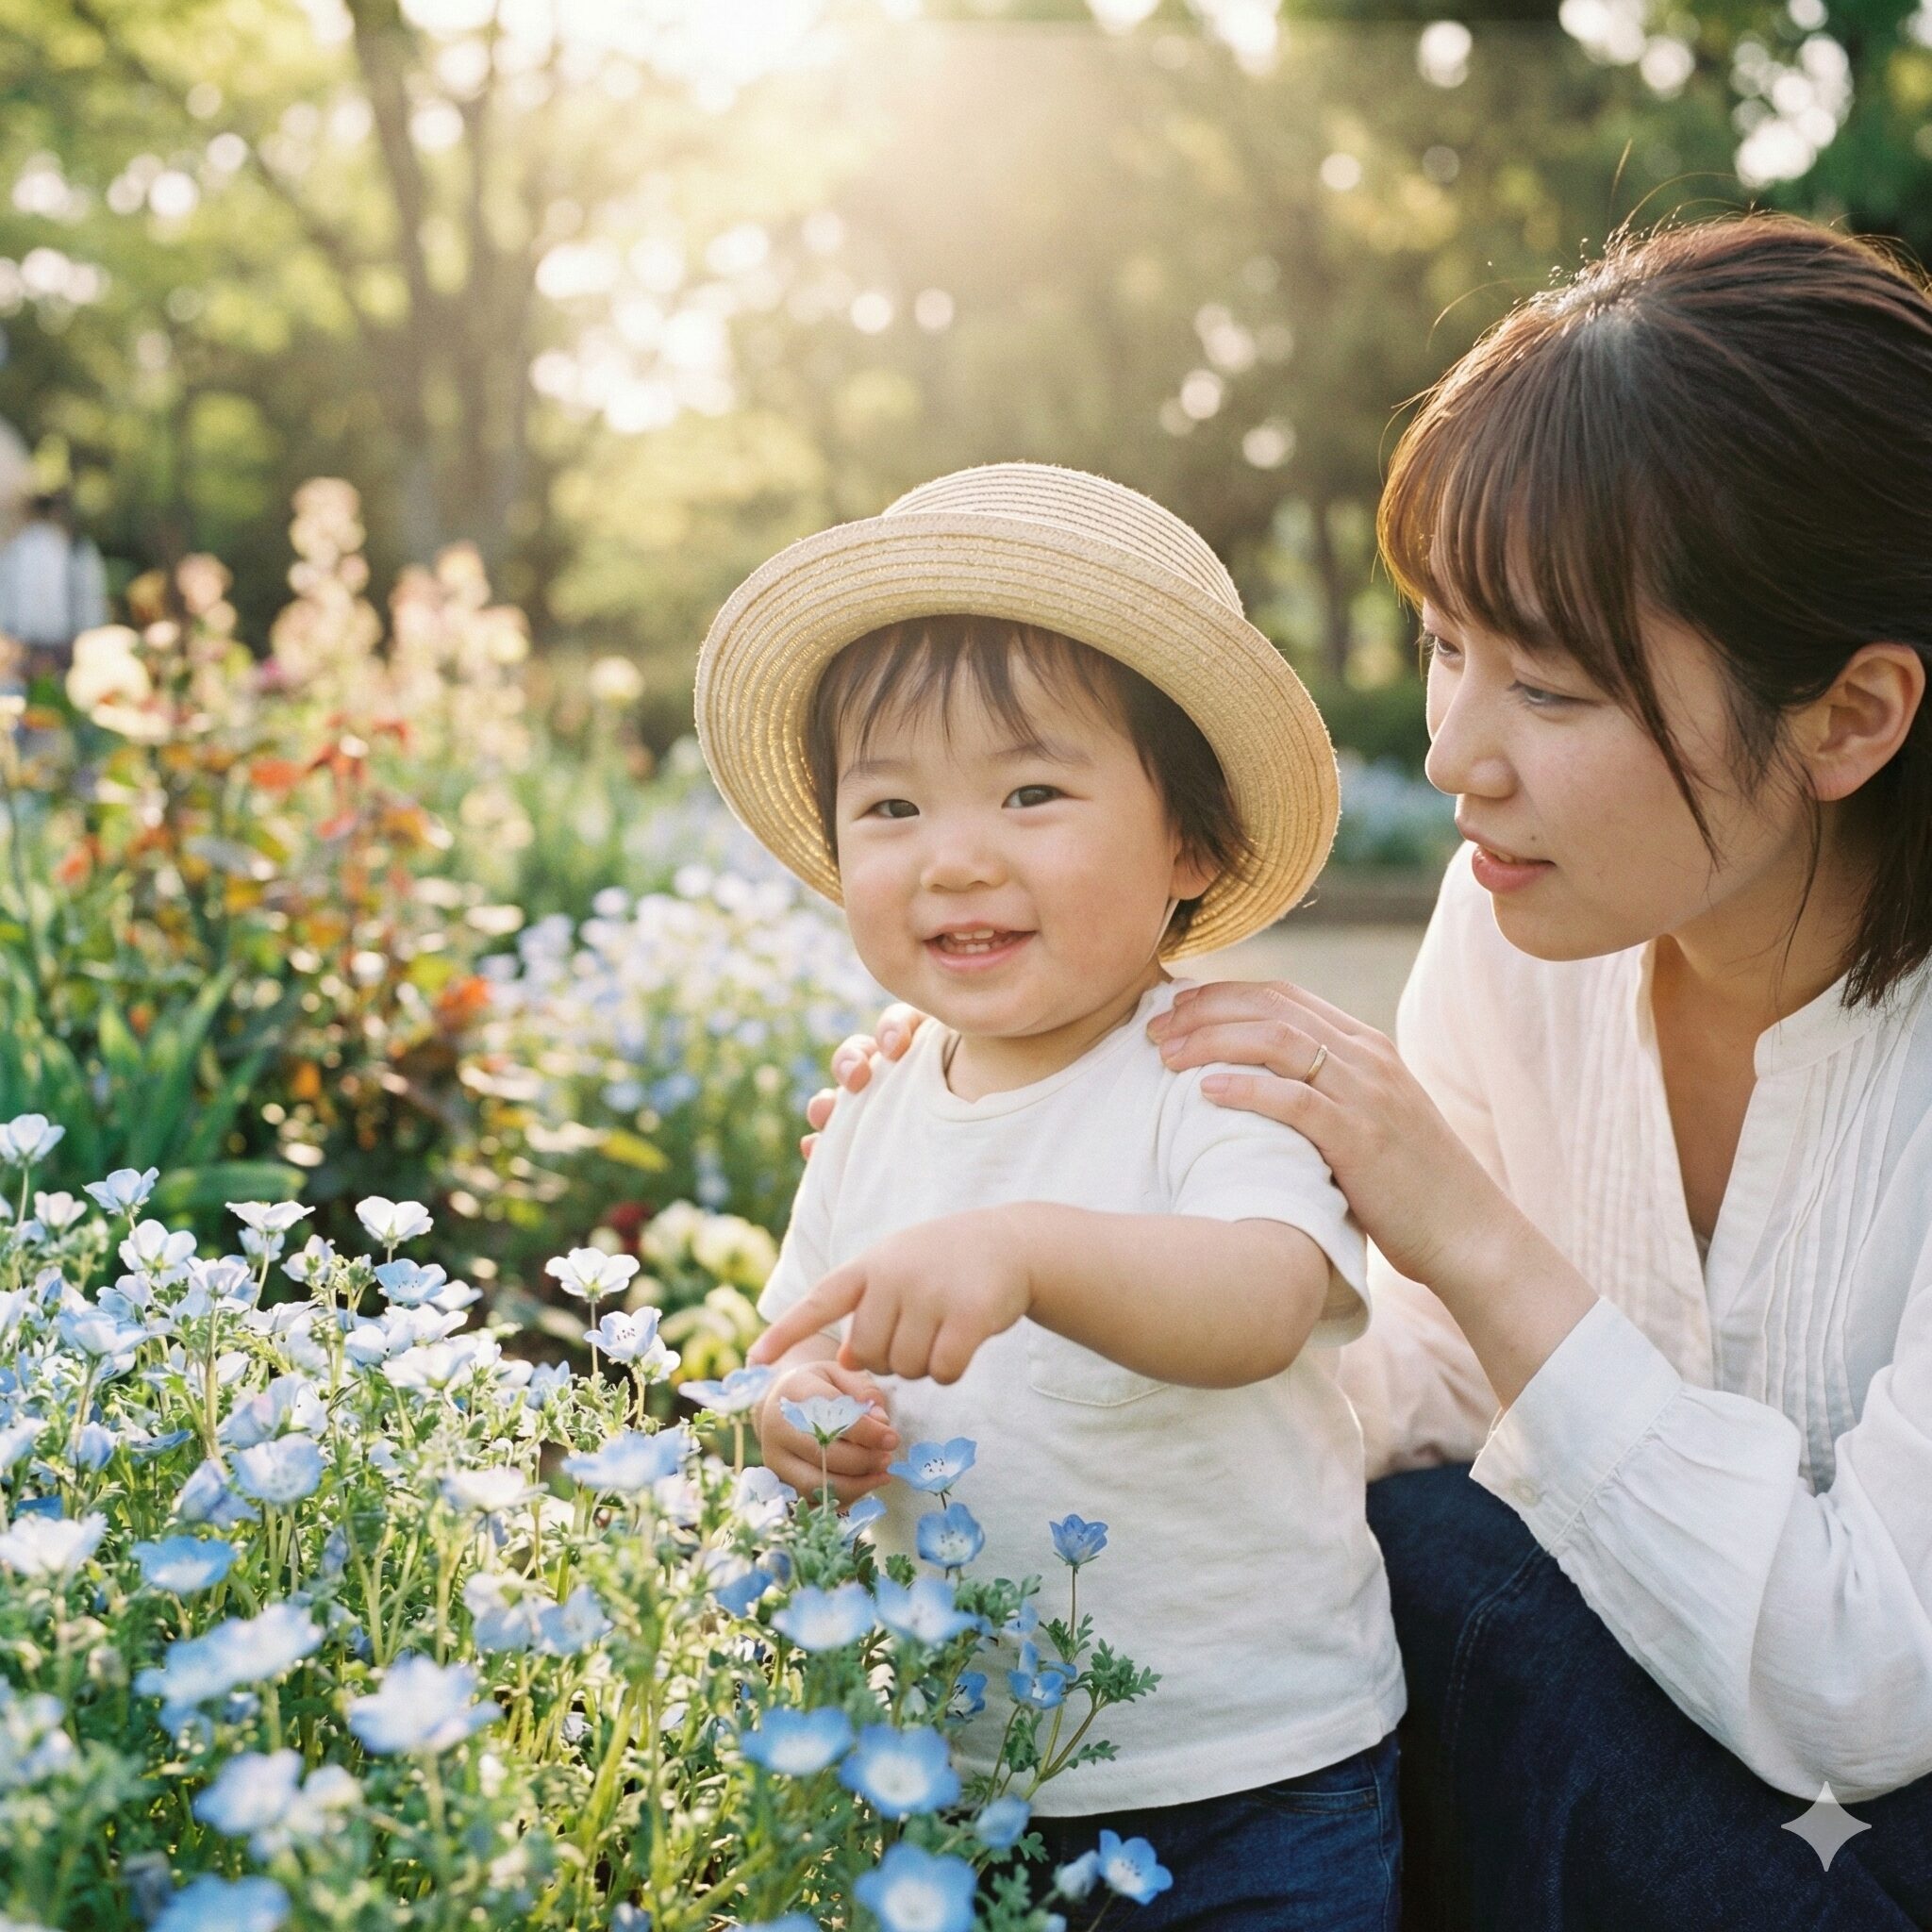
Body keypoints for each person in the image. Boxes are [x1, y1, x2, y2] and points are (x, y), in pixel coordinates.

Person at [808, 216, 1932, 1929]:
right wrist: (1037, 1154)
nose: (1449, 754)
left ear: (1848, 717)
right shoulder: (1522, 934)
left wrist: (1460, 1223)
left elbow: (1859, 1685)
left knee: (1438, 1573)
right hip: (1651, 1798)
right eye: (1440, 644)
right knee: (1403, 1565)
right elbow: (1397, 1397)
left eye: (1545, 685)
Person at [698, 462, 1404, 1930]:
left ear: (1190, 846)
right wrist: (799, 1412)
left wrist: (1031, 1252)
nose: (956, 855)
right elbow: (793, 1340)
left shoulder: (1209, 1068)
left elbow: (1264, 1297)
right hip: (955, 1769)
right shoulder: (877, 1100)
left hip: (1254, 1786)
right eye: (890, 805)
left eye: (1032, 792)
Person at [0, 488, 107, 675]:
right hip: (47, 649)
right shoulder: (76, 548)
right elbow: (91, 605)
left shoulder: (17, 549)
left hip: (43, 648)